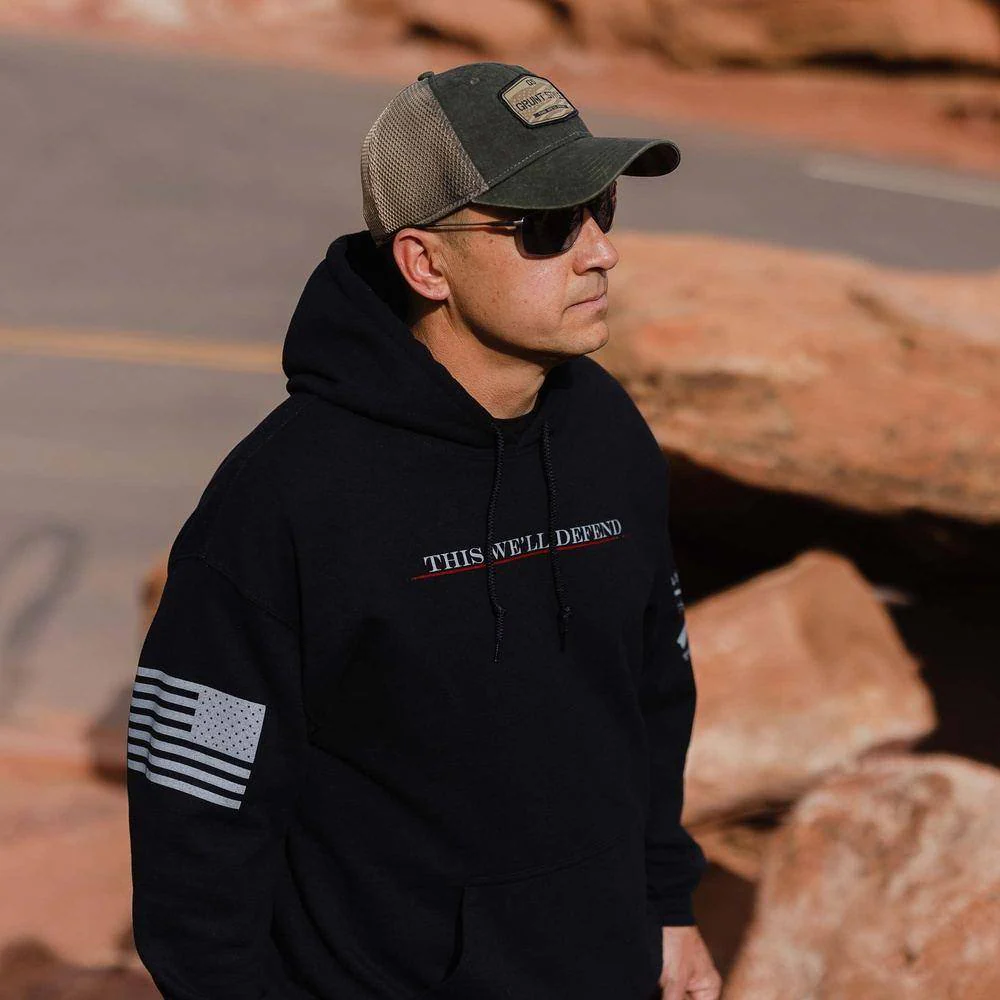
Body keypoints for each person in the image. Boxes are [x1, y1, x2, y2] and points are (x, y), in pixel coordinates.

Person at [125, 61, 722, 1000]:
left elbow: (653, 691)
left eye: (601, 208)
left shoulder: (606, 432)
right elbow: (195, 804)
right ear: (425, 264)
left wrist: (666, 904)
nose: (600, 252)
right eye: (547, 227)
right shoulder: (284, 498)